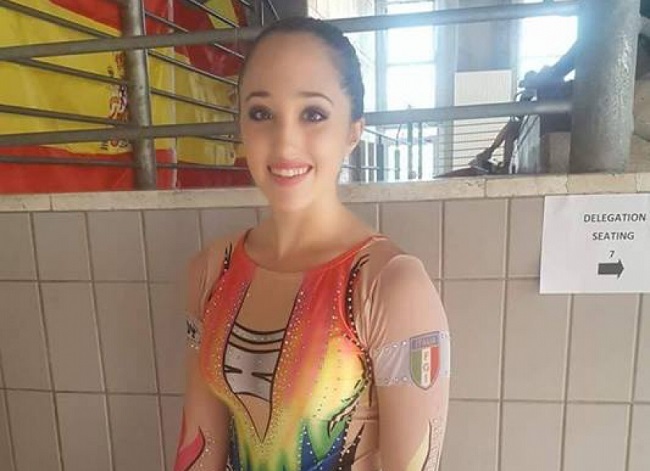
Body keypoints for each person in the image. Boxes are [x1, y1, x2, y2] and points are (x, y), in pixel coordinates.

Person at [175, 17, 450, 471]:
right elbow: (199, 445)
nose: (285, 142)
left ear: (353, 131)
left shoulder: (390, 285)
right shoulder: (210, 271)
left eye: (313, 114)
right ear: (240, 125)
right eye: (261, 114)